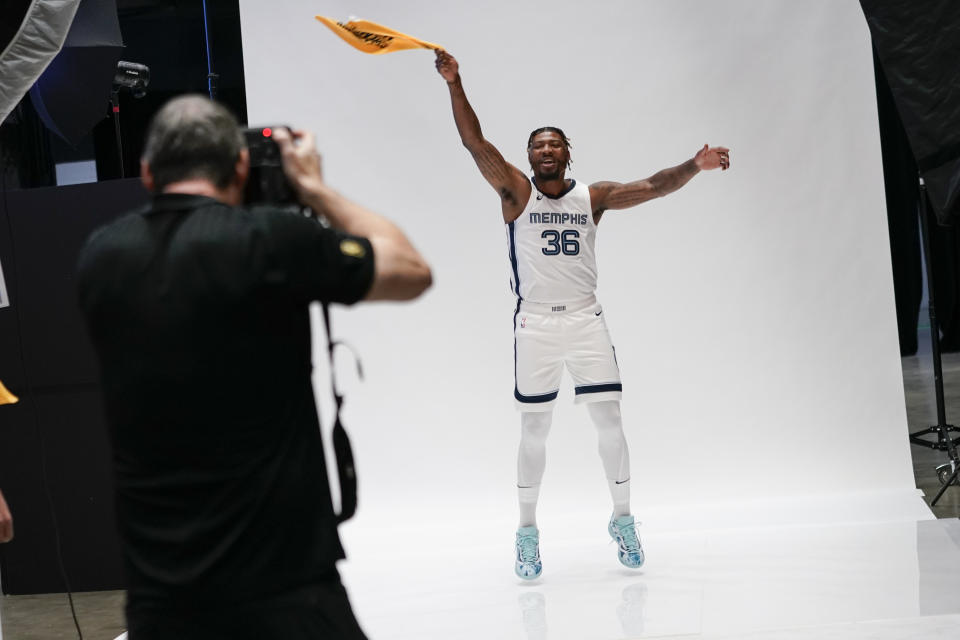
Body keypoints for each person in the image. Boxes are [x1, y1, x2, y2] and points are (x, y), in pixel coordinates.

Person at [77, 95, 431, 639]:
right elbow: (410, 270)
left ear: (147, 173)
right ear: (239, 166)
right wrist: (313, 188)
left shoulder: (101, 257)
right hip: (284, 589)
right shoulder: (271, 240)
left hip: (160, 602)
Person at [434, 50, 730, 579]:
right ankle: (526, 531)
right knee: (534, 428)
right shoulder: (515, 193)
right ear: (528, 157)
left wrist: (695, 165)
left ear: (568, 153)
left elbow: (656, 185)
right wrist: (456, 84)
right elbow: (474, 144)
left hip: (586, 320)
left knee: (610, 422)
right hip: (535, 326)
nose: (546, 150)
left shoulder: (593, 197)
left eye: (554, 143)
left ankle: (622, 519)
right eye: (537, 145)